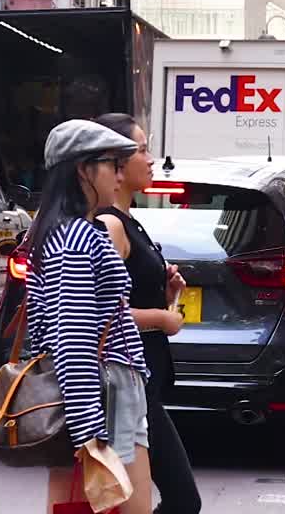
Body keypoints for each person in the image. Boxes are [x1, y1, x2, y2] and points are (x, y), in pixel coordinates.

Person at [27, 119, 154, 514]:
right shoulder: (76, 238)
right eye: (112, 164)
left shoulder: (69, 231)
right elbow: (74, 338)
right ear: (83, 169)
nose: (120, 174)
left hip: (107, 391)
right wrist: (89, 432)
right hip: (103, 394)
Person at [94, 113, 201, 514]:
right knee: (177, 500)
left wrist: (168, 295)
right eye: (142, 149)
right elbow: (99, 315)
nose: (152, 159)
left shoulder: (129, 221)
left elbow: (126, 299)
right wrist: (162, 317)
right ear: (116, 167)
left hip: (144, 380)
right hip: (124, 383)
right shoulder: (109, 225)